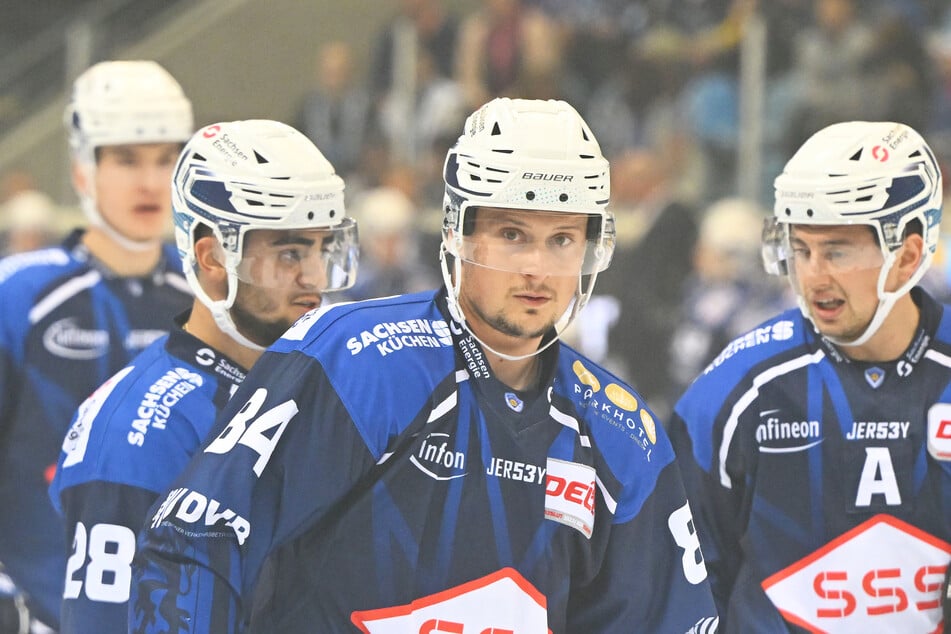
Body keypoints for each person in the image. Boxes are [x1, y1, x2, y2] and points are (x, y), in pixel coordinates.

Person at [131, 97, 719, 633]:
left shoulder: (621, 434)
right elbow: (197, 543)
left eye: (562, 239)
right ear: (457, 233)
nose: (539, 268)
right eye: (513, 233)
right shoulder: (356, 359)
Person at [47, 119, 359, 633]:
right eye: (289, 252)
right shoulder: (134, 430)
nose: (316, 279)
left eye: (321, 249)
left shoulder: (318, 386)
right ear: (213, 258)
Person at [667, 120, 951, 632]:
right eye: (801, 250)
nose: (814, 275)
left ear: (909, 255)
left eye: (837, 251)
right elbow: (679, 592)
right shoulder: (732, 392)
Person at [0, 60, 194, 631]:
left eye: (166, 159)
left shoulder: (214, 295)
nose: (150, 182)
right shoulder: (18, 295)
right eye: (127, 159)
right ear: (84, 168)